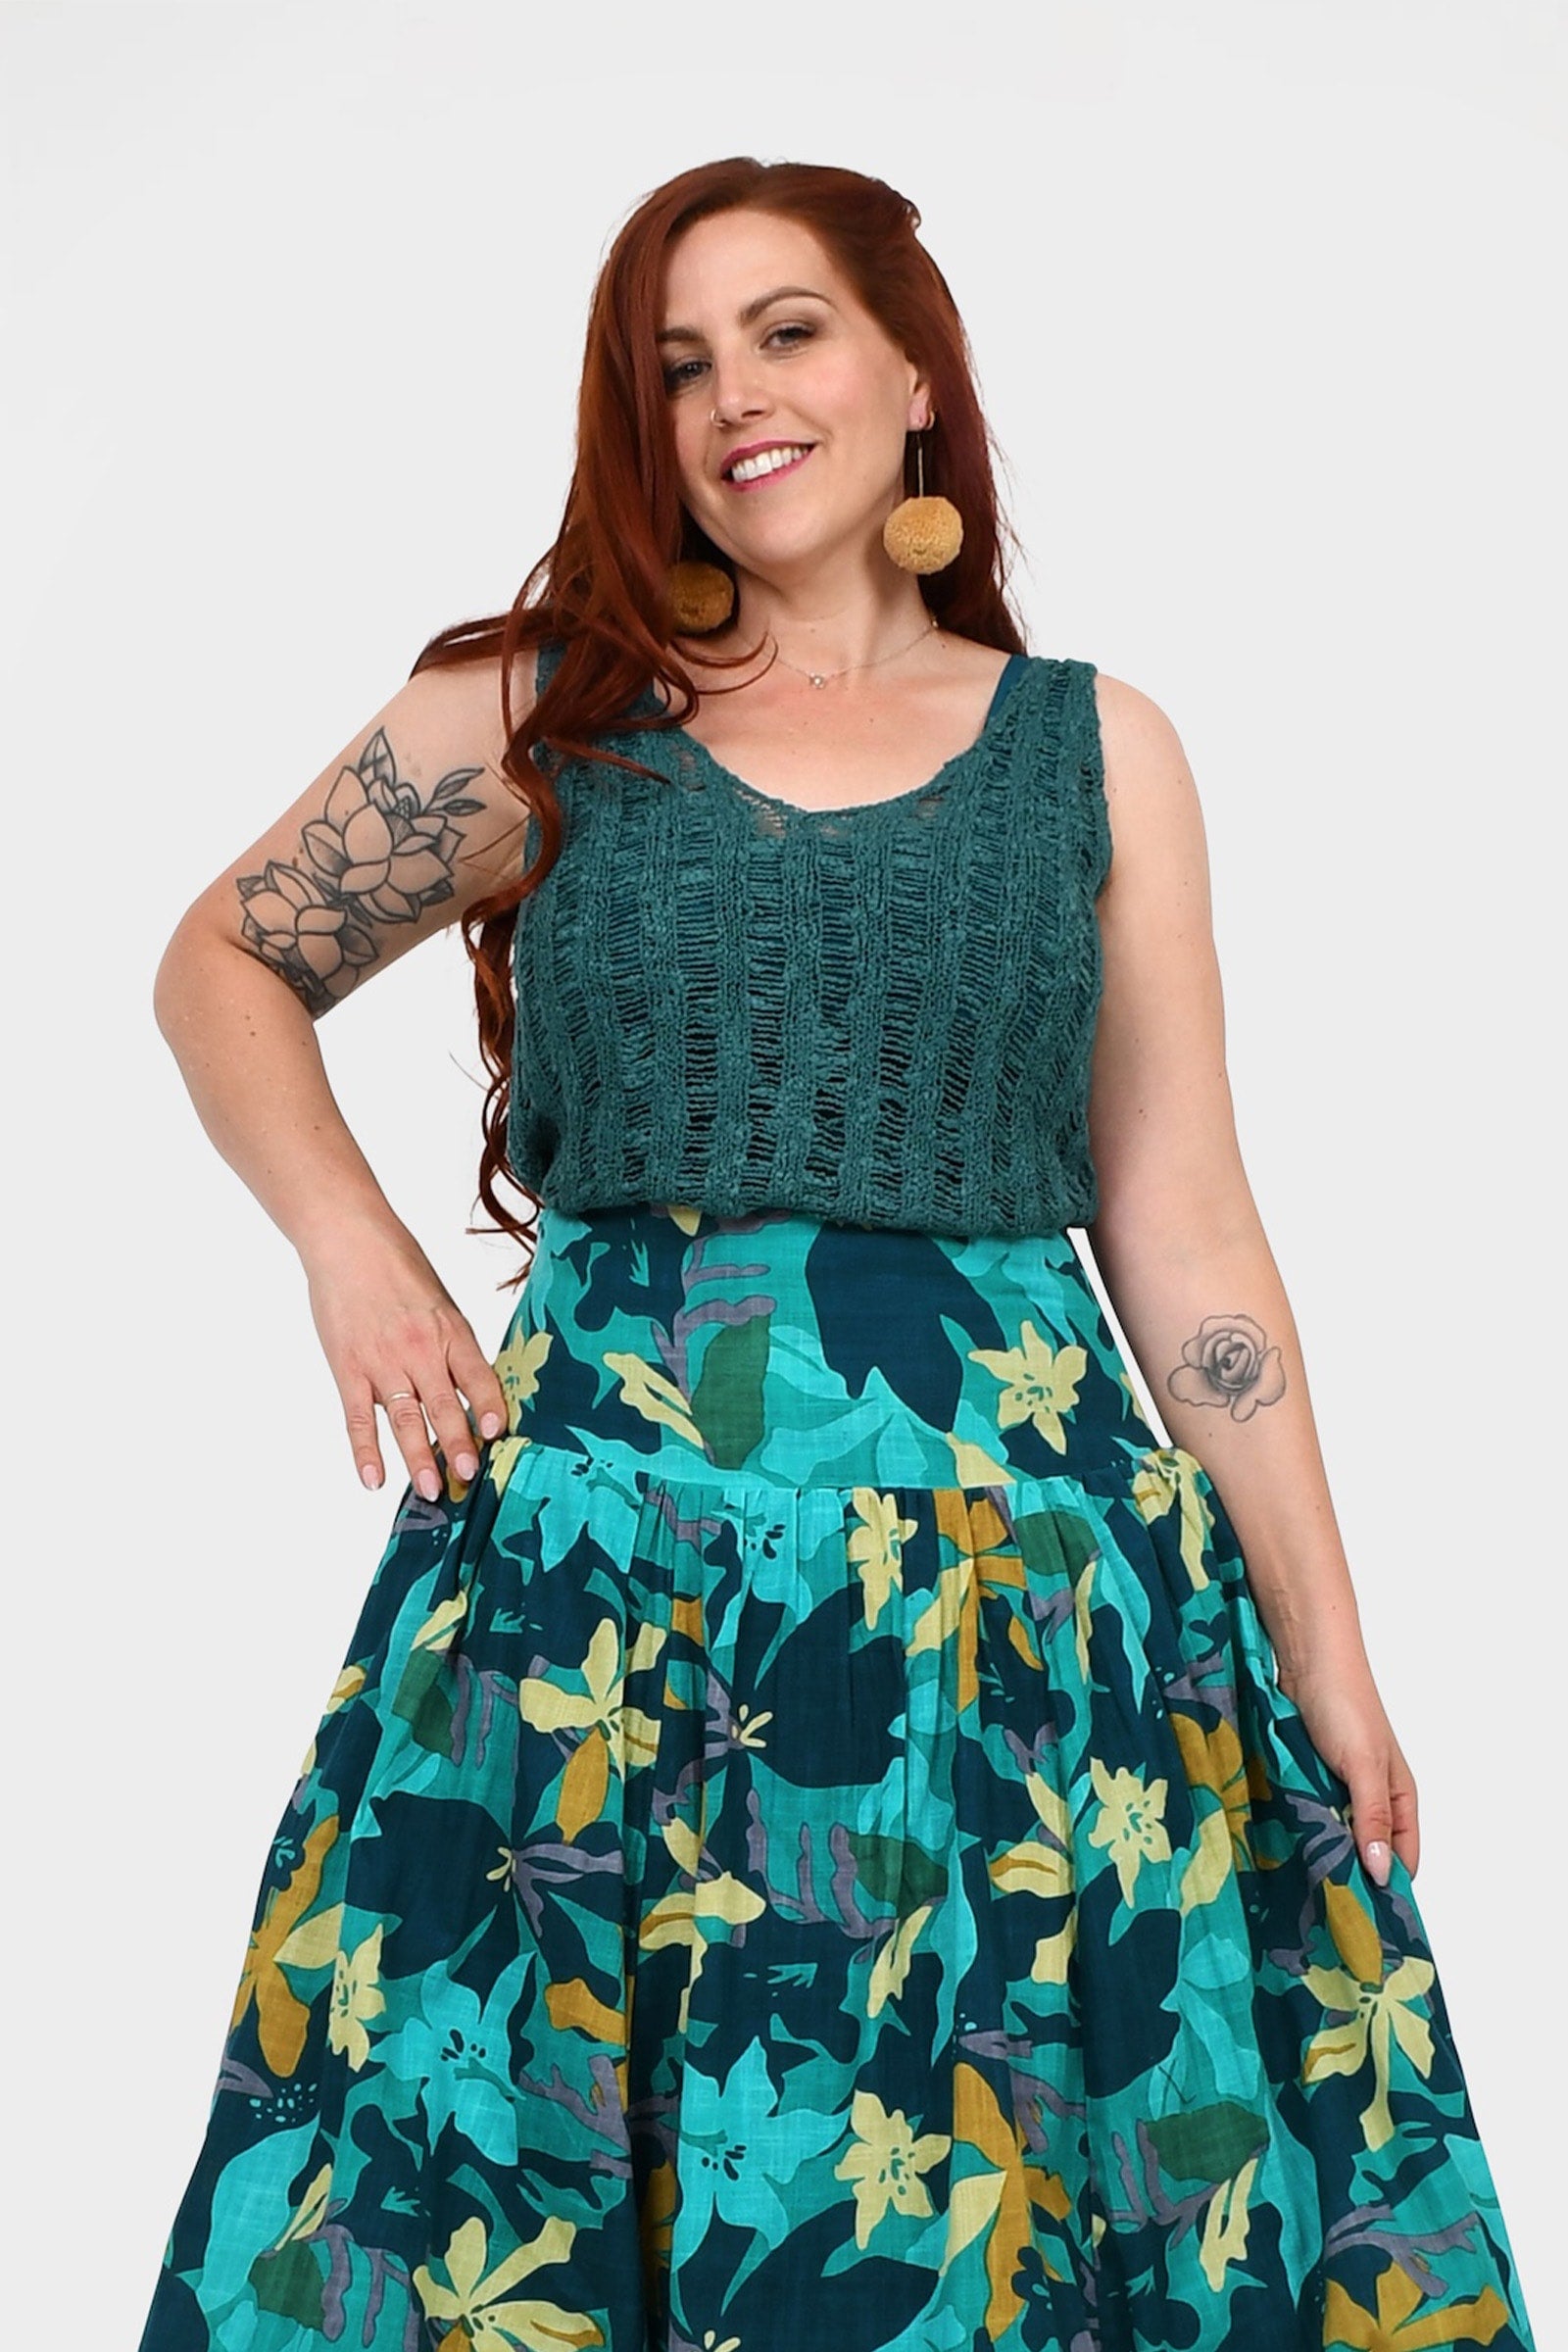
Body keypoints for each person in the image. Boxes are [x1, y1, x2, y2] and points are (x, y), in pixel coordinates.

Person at [136, 159, 1535, 2352]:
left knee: (982, 2220)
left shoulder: (1093, 752)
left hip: (1016, 1614)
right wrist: (355, 1249)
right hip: (604, 1599)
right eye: (678, 365)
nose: (735, 399)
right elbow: (223, 959)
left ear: (910, 373)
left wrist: (1327, 1652)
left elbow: (1184, 1225)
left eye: (785, 333)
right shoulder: (548, 714)